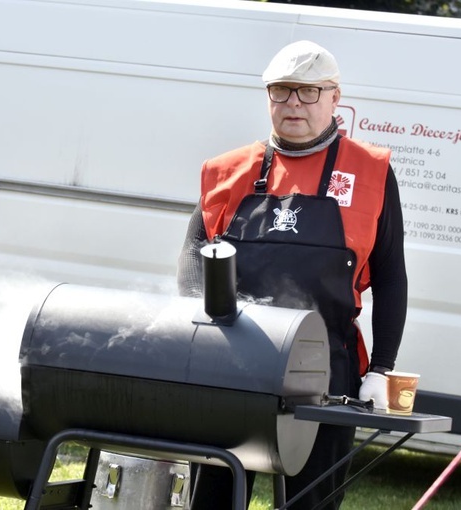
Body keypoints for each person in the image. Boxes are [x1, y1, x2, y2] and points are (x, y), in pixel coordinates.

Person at [177, 40, 407, 509]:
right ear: (267, 97)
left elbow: (391, 276)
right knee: (212, 497)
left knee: (312, 502)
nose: (293, 104)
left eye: (308, 92)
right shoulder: (226, 171)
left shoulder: (371, 172)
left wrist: (381, 366)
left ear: (334, 97)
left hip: (326, 370)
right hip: (232, 364)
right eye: (281, 92)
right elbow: (192, 265)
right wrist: (196, 344)